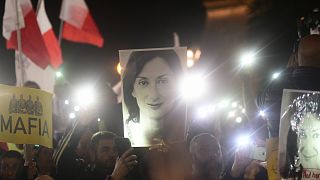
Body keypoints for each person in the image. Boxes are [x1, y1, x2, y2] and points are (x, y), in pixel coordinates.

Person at [122, 49, 185, 147]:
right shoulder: (122, 137)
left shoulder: (192, 134)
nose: (154, 95)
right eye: (143, 83)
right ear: (132, 89)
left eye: (163, 81)